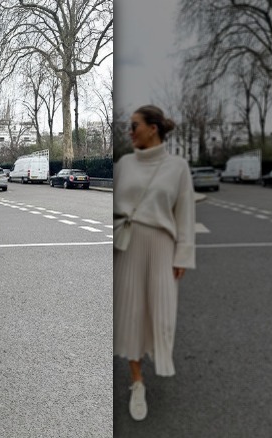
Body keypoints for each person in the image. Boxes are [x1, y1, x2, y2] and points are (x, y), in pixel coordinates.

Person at [113, 105, 196, 421]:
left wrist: (183, 254)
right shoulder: (124, 164)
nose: (130, 131)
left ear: (153, 128)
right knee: (132, 313)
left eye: (135, 126)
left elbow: (184, 213)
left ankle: (155, 357)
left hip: (162, 245)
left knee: (161, 314)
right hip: (127, 245)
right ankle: (137, 381)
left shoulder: (177, 167)